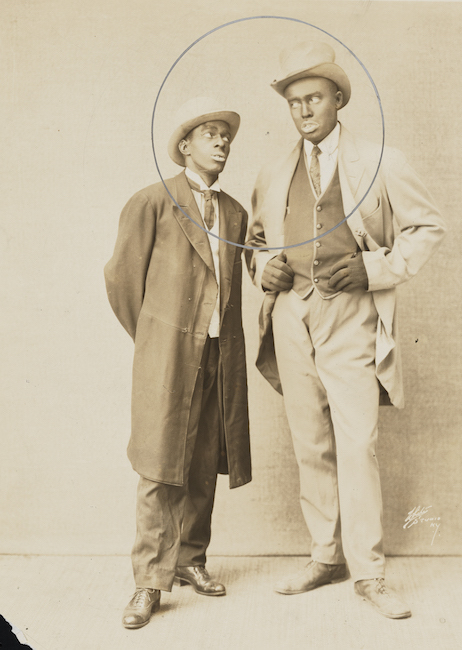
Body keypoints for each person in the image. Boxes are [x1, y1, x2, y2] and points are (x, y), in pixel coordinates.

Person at [246, 41, 446, 619]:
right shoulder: (274, 167)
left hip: (352, 314)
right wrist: (266, 268)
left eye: (313, 98)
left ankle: (370, 572)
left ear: (338, 98)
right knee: (310, 438)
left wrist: (372, 267)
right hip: (291, 313)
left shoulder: (382, 160)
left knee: (356, 441)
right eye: (293, 102)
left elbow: (427, 226)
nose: (304, 110)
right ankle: (325, 555)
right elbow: (256, 243)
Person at [104, 97, 251, 629]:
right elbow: (122, 281)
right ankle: (149, 580)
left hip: (219, 352)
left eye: (226, 135)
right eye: (210, 133)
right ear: (185, 145)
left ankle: (191, 559)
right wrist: (156, 340)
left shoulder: (235, 211)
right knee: (160, 462)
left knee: (204, 457)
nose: (221, 142)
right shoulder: (151, 202)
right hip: (168, 355)